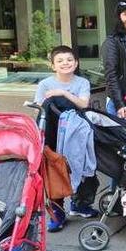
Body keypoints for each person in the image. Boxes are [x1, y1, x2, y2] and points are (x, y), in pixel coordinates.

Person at [34, 45, 94, 230]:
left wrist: (63, 93)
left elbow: (84, 104)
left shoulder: (82, 82)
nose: (65, 63)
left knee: (84, 166)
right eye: (60, 61)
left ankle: (80, 203)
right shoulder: (44, 84)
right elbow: (40, 107)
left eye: (69, 60)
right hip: (52, 133)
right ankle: (57, 213)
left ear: (76, 63)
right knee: (55, 171)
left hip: (77, 133)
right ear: (53, 65)